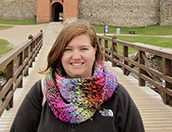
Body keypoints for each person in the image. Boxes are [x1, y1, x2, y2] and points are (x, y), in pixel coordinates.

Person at [10, 20, 145, 132]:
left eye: (83, 49)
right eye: (68, 49)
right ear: (59, 53)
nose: (76, 57)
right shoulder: (42, 92)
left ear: (95, 50)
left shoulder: (116, 96)